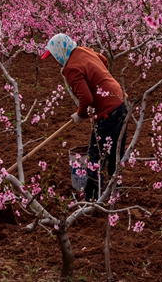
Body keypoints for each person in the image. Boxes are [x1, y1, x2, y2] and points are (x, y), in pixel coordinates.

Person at [41, 33, 127, 201]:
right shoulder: (83, 50)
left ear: (60, 50)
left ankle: (91, 199)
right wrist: (101, 80)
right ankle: (116, 190)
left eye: (54, 55)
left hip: (107, 111)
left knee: (96, 155)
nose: (55, 60)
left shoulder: (71, 68)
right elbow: (103, 61)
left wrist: (80, 114)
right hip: (121, 101)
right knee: (116, 151)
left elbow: (87, 99)